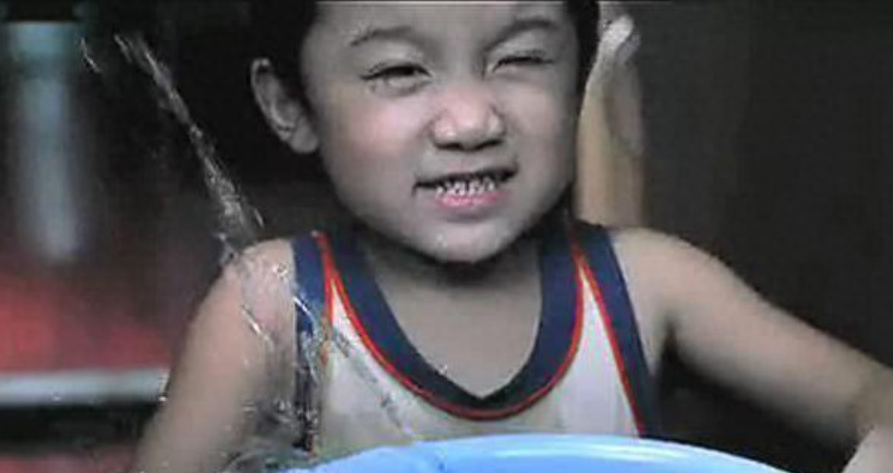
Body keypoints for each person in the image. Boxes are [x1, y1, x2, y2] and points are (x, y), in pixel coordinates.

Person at [131, 2, 893, 473]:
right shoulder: (274, 307)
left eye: (521, 58)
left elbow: (874, 396)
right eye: (399, 70)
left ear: (579, 75)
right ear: (288, 104)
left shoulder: (648, 285)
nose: (471, 122)